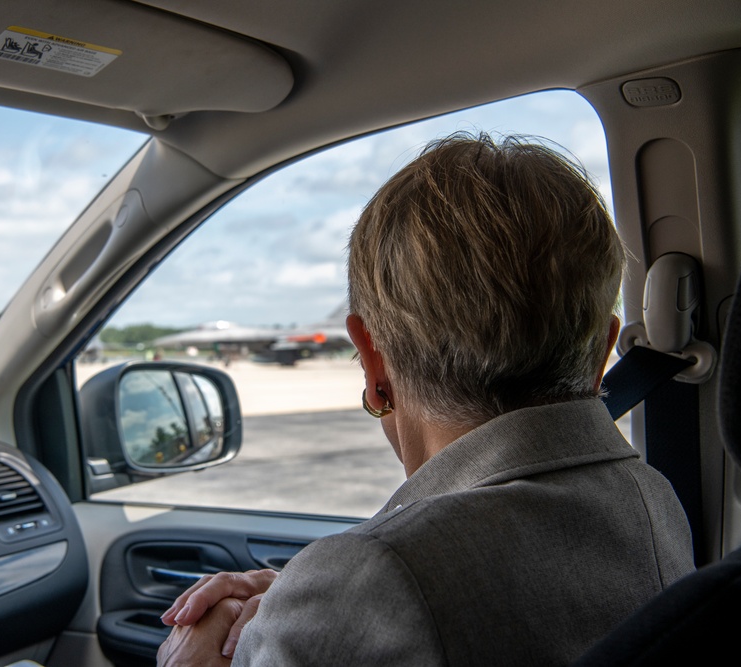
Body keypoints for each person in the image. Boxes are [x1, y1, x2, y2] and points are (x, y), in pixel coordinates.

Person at [156, 133, 695, 666]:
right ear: (603, 350)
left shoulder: (376, 576)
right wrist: (304, 606)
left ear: (373, 360)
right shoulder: (655, 500)